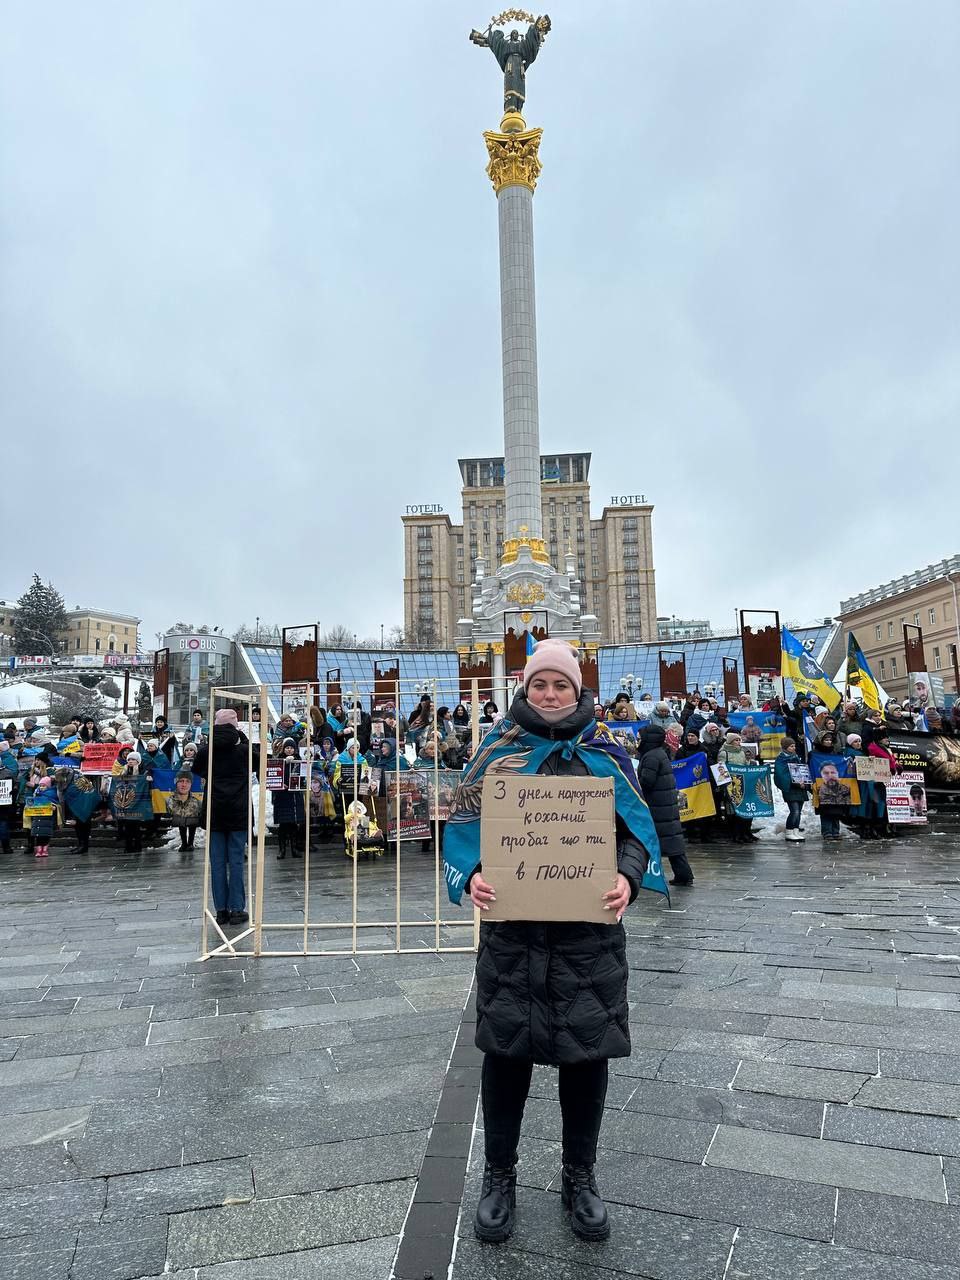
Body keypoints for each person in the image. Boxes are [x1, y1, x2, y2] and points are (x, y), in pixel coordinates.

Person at [445, 638, 665, 1245]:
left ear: (577, 690)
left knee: (586, 1054)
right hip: (513, 934)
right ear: (524, 687)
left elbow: (635, 829)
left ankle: (580, 1177)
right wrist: (473, 874)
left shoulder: (606, 753)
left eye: (560, 685)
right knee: (505, 1052)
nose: (548, 694)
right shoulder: (496, 753)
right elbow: (464, 825)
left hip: (586, 936)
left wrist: (626, 875)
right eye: (539, 684)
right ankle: (499, 1176)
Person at [192, 709, 259, 928]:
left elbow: (198, 770)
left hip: (215, 812)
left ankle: (221, 910)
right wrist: (245, 739)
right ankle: (237, 909)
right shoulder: (243, 751)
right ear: (235, 726)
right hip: (238, 811)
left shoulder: (206, 751)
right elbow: (258, 762)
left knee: (217, 862)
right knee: (237, 861)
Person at [637, 723, 693, 885]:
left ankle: (644, 875)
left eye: (641, 738)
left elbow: (647, 781)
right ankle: (684, 875)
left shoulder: (651, 756)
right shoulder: (658, 753)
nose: (638, 741)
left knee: (649, 841)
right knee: (673, 842)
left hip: (656, 806)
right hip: (664, 805)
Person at [717, 732, 758, 844]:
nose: (739, 742)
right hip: (731, 784)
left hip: (742, 783)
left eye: (739, 740)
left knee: (744, 810)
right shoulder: (724, 753)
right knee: (733, 811)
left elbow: (745, 765)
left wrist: (750, 763)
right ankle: (736, 834)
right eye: (736, 740)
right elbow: (720, 768)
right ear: (730, 741)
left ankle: (745, 832)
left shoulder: (742, 752)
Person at [774, 737, 809, 841]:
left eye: (794, 746)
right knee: (794, 811)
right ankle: (789, 831)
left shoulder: (795, 757)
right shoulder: (781, 759)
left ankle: (795, 831)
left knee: (799, 811)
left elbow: (801, 771)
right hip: (790, 788)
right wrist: (795, 783)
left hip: (800, 788)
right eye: (791, 746)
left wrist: (805, 781)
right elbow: (781, 774)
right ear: (785, 747)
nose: (793, 748)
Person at [166, 769, 202, 851]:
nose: (184, 784)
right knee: (181, 824)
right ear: (176, 783)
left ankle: (190, 843)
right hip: (179, 812)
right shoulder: (170, 800)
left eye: (187, 781)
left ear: (191, 784)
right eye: (181, 781)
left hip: (191, 812)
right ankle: (184, 843)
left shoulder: (196, 802)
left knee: (192, 824)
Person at [0, 738, 19, 854]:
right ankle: (6, 847)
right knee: (3, 823)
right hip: (4, 802)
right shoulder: (8, 772)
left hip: (4, 801)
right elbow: (15, 785)